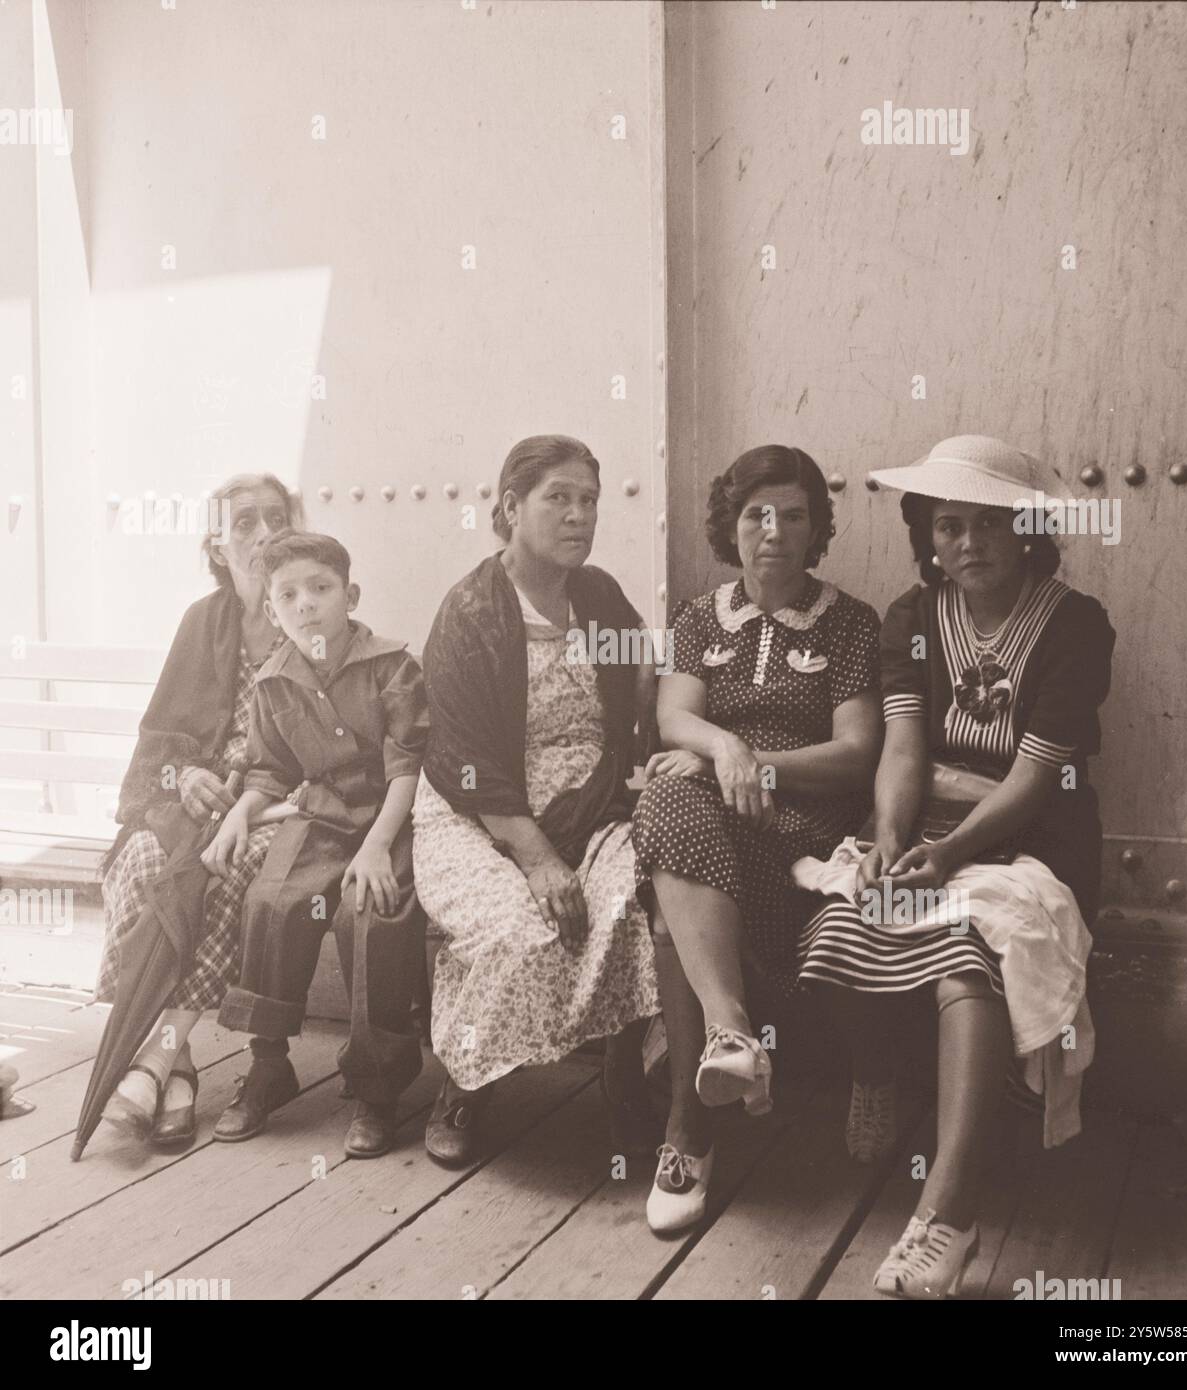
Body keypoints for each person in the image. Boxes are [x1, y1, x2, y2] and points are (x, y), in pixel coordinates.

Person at [793, 435, 1115, 1298]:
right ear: (928, 538)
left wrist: (951, 854)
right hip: (924, 825)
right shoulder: (911, 618)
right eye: (947, 527)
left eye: (987, 525)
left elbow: (1036, 777)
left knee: (967, 949)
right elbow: (901, 746)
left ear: (1028, 532)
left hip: (1030, 840)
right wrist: (893, 840)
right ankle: (879, 1069)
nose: (966, 543)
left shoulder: (1074, 624)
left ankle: (948, 1217)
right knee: (838, 920)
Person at [631, 444, 883, 1233]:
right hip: (710, 809)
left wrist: (758, 765)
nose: (774, 530)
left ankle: (688, 1138)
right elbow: (674, 718)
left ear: (817, 529)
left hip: (802, 825)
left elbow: (856, 752)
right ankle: (732, 1035)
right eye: (755, 514)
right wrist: (724, 750)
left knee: (678, 889)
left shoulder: (849, 623)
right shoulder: (701, 618)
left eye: (794, 515)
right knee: (673, 800)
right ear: (730, 527)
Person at [413, 434, 661, 1167]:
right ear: (510, 507)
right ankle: (465, 1081)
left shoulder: (599, 598)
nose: (578, 515)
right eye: (558, 497)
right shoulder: (471, 615)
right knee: (521, 932)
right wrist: (539, 860)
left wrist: (665, 727)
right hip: (481, 816)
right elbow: (463, 765)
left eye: (588, 500)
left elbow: (639, 681)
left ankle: (625, 1083)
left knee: (625, 911)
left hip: (593, 804)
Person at [95, 473, 302, 1146]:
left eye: (277, 517)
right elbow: (159, 739)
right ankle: (176, 1065)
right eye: (244, 522)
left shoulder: (310, 611)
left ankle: (149, 1065)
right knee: (141, 858)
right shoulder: (201, 622)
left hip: (277, 810)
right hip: (196, 805)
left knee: (227, 871)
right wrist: (183, 776)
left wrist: (249, 800)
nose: (265, 532)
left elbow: (335, 742)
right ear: (217, 544)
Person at [210, 530, 427, 1159]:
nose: (305, 604)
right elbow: (269, 770)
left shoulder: (392, 665)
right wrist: (237, 818)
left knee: (370, 914)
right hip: (322, 817)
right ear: (273, 610)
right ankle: (271, 1063)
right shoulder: (275, 681)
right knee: (272, 900)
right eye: (288, 595)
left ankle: (376, 1089)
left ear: (350, 595)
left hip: (391, 820)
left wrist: (379, 845)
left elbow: (408, 765)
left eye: (320, 588)